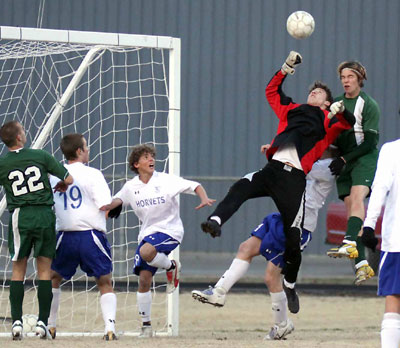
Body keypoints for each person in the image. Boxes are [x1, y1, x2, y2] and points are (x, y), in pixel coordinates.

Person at [200, 51, 355, 312]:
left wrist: (338, 111)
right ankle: (215, 221)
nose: (314, 93)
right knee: (242, 186)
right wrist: (285, 68)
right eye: (312, 91)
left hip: (294, 179)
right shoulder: (292, 110)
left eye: (320, 93)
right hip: (272, 170)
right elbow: (271, 91)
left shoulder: (328, 123)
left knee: (292, 240)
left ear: (328, 103)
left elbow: (348, 123)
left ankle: (291, 284)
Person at [192, 147, 335, 340]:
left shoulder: (328, 167)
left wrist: (280, 154)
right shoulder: (309, 158)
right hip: (281, 216)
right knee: (246, 248)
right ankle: (219, 291)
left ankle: (282, 324)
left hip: (299, 225)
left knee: (270, 277)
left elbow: (297, 168)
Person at [100, 144, 215, 338]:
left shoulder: (166, 180)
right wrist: (102, 208)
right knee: (144, 280)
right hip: (148, 235)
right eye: (146, 157)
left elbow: (194, 185)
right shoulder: (131, 187)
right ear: (136, 164)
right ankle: (146, 327)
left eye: (152, 156)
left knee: (146, 252)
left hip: (170, 231)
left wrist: (203, 198)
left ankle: (171, 267)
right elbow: (116, 201)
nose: (151, 159)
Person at [0, 120, 73, 340]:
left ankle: (16, 324)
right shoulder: (40, 156)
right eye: (23, 130)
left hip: (20, 216)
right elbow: (68, 178)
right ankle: (42, 323)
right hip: (43, 214)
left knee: (17, 271)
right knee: (44, 270)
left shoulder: (2, 163)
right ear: (19, 137)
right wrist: (63, 184)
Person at [47, 133, 117, 341]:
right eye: (86, 147)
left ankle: (50, 326)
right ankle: (110, 328)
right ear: (79, 151)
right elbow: (105, 204)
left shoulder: (53, 175)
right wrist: (119, 202)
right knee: (104, 281)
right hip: (91, 235)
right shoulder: (93, 174)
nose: (88, 150)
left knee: (53, 278)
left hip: (64, 235)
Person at [326, 61, 380, 285]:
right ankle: (362, 267)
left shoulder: (368, 104)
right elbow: (329, 136)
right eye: (343, 77)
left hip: (363, 158)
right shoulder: (336, 103)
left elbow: (370, 143)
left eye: (350, 76)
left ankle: (348, 241)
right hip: (344, 160)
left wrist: (344, 158)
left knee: (357, 198)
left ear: (359, 79)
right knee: (351, 211)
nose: (346, 80)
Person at [361, 140, 400, 348]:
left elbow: (380, 187)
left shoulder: (391, 150)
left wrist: (369, 224)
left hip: (396, 240)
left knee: (394, 298)